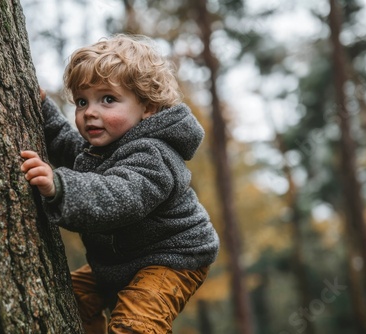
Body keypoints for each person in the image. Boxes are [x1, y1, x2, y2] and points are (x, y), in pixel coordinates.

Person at [20, 34, 219, 333]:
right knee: (68, 298)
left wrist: (59, 185)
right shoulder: (99, 150)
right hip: (118, 263)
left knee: (135, 324)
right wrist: (44, 109)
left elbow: (119, 195)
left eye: (108, 99)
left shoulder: (154, 154)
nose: (90, 112)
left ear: (147, 107)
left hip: (171, 258)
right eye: (82, 101)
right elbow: (65, 143)